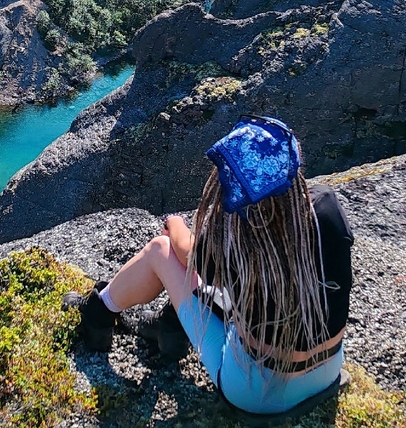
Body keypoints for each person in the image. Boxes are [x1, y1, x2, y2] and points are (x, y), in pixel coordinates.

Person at [66, 116, 353, 416]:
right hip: (327, 372)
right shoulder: (326, 208)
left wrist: (175, 223)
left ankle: (98, 313)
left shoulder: (233, 236)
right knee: (234, 289)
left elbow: (186, 253)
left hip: (256, 393)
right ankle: (169, 328)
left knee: (160, 250)